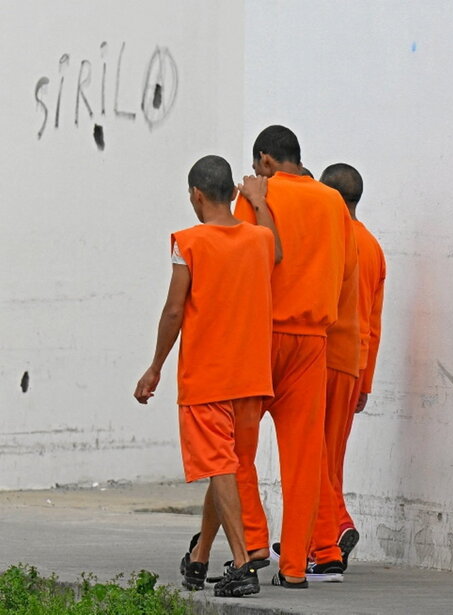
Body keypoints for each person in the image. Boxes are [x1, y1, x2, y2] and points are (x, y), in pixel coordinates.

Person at [133, 155, 279, 598]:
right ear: (233, 192)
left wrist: (155, 364)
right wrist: (260, 200)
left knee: (219, 468)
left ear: (196, 195)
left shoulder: (189, 242)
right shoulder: (256, 240)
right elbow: (276, 249)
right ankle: (200, 558)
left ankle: (241, 564)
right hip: (252, 380)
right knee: (228, 470)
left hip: (207, 379)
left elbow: (175, 309)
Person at [233, 125, 358, 588]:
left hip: (260, 336)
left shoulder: (256, 194)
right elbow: (347, 275)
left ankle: (253, 542)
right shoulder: (331, 202)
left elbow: (244, 259)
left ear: (265, 161)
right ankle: (293, 569)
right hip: (313, 341)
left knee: (235, 448)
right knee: (305, 461)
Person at [319, 163, 386, 567]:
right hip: (353, 365)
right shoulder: (373, 246)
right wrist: (366, 381)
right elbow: (373, 323)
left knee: (312, 457)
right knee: (332, 457)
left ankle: (337, 526)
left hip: (321, 356)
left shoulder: (334, 239)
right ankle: (318, 537)